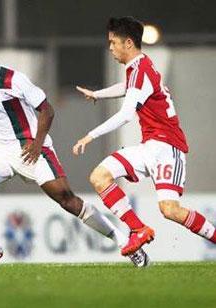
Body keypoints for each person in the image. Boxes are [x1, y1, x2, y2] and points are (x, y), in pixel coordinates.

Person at [0, 42, 149, 267]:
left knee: (67, 200)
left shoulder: (12, 80)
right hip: (2, 151)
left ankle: (126, 241)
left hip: (32, 149)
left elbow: (47, 109)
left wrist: (38, 143)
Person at [73, 16, 216, 256]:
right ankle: (138, 229)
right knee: (100, 176)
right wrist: (98, 94)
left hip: (168, 147)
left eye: (113, 42)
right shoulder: (138, 67)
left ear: (128, 43)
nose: (110, 48)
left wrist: (90, 135)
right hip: (149, 145)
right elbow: (129, 89)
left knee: (170, 210)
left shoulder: (140, 70)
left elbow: (126, 114)